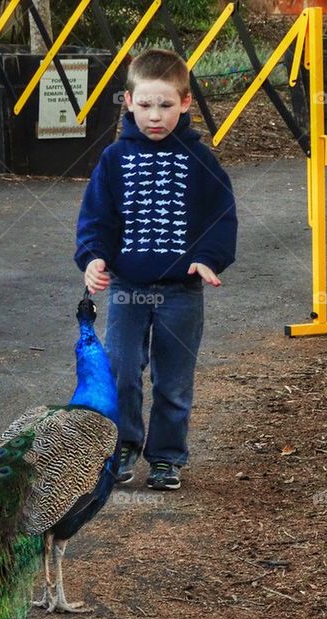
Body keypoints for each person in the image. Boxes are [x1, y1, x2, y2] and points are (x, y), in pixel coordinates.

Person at [74, 48, 237, 491]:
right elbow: (97, 219)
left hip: (181, 292)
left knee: (174, 381)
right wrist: (93, 258)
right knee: (123, 369)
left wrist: (208, 257)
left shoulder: (200, 160)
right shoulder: (114, 160)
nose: (155, 116)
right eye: (145, 105)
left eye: (166, 105)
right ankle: (123, 444)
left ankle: (166, 457)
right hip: (128, 288)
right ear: (128, 102)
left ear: (185, 103)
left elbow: (221, 215)